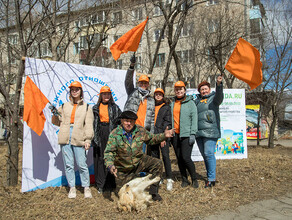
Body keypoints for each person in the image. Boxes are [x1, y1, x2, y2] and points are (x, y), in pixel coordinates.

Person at [104, 110, 175, 201]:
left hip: (139, 162)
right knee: (125, 196)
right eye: (126, 121)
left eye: (131, 121)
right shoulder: (114, 134)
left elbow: (152, 139)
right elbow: (109, 152)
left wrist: (164, 135)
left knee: (157, 163)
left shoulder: (140, 130)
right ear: (121, 121)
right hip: (123, 168)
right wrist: (110, 165)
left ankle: (153, 192)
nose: (129, 123)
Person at [51, 81, 94, 199]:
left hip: (79, 135)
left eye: (77, 89)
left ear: (81, 92)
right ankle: (72, 188)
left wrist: (88, 140)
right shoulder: (64, 106)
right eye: (72, 90)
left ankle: (86, 187)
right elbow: (56, 122)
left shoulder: (87, 107)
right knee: (68, 164)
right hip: (65, 136)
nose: (74, 91)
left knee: (82, 164)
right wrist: (54, 114)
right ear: (70, 92)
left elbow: (89, 125)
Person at [195, 75, 223, 188]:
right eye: (202, 89)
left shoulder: (214, 99)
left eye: (206, 88)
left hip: (211, 131)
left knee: (209, 154)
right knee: (205, 155)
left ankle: (211, 179)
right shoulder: (197, 102)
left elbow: (219, 96)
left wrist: (219, 85)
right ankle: (209, 176)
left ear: (209, 90)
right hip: (199, 133)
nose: (204, 91)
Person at [92, 86, 121, 194]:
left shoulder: (115, 107)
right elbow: (92, 123)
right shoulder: (95, 107)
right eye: (104, 94)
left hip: (111, 133)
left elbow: (120, 120)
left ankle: (111, 184)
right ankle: (100, 184)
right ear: (101, 95)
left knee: (111, 158)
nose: (106, 96)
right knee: (100, 158)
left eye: (108, 94)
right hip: (100, 133)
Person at [170, 81, 199, 188]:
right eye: (177, 89)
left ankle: (194, 178)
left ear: (184, 90)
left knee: (186, 157)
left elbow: (194, 119)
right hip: (175, 135)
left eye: (181, 89)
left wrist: (193, 134)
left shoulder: (190, 103)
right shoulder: (172, 103)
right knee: (179, 158)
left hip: (186, 135)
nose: (179, 91)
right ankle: (184, 179)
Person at [149, 88, 173, 191]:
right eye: (156, 94)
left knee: (165, 156)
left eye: (160, 94)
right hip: (153, 136)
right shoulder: (151, 106)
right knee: (155, 158)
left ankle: (169, 179)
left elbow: (167, 122)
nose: (158, 96)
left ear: (163, 96)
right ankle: (158, 177)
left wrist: (164, 136)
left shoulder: (166, 107)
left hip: (163, 135)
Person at [123, 55, 155, 133]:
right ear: (138, 83)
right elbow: (128, 81)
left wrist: (151, 134)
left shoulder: (151, 100)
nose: (143, 85)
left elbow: (152, 119)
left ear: (148, 85)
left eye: (145, 83)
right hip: (130, 130)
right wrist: (132, 66)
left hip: (144, 132)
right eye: (141, 83)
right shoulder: (132, 92)